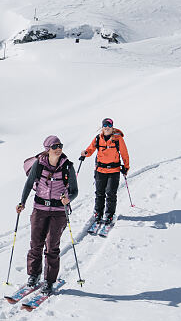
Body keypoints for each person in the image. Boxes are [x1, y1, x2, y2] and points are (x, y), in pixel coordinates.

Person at [16, 136, 78, 294]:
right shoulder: (39, 165)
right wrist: (22, 203)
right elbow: (29, 184)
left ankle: (49, 281)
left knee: (52, 246)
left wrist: (68, 198)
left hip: (58, 212)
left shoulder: (67, 166)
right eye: (55, 146)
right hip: (40, 209)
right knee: (36, 244)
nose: (59, 148)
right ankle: (34, 275)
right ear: (47, 149)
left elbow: (74, 191)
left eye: (60, 145)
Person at [79, 118, 130, 225]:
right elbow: (91, 149)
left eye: (109, 125)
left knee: (111, 193)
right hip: (100, 170)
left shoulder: (118, 139)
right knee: (99, 193)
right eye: (105, 125)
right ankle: (98, 213)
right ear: (102, 127)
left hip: (114, 170)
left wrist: (126, 167)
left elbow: (124, 153)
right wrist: (85, 153)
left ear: (112, 127)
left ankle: (110, 214)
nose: (107, 127)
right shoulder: (98, 138)